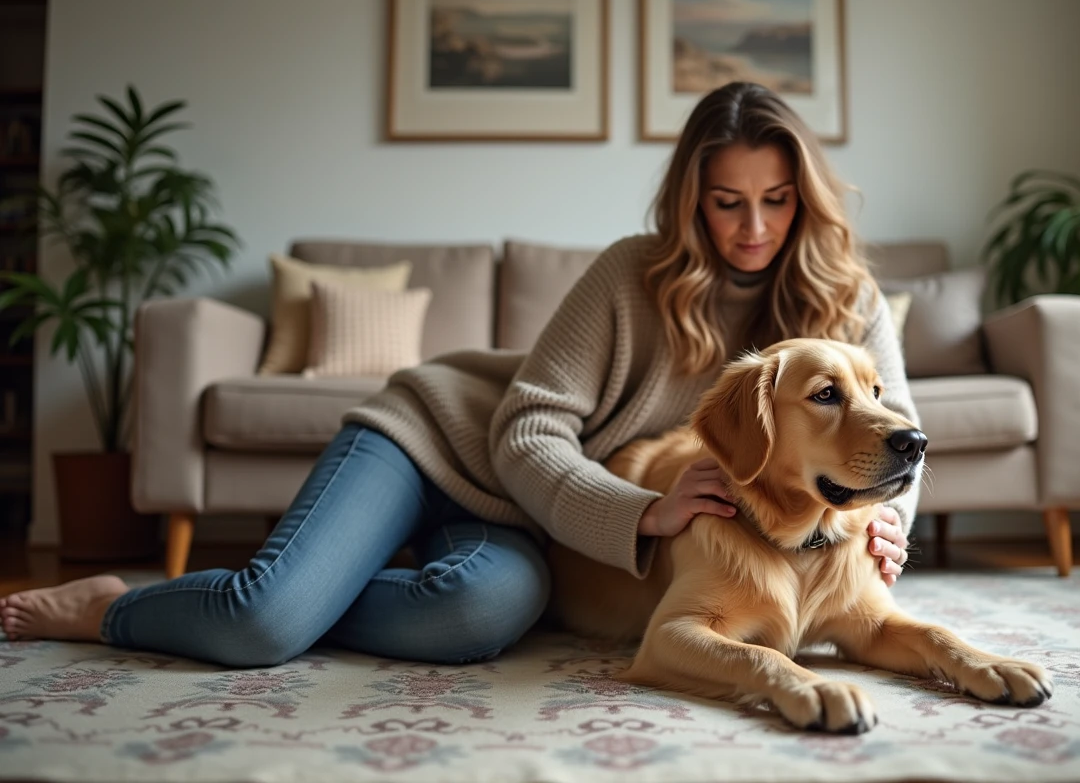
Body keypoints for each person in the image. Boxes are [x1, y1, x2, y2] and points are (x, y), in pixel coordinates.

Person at [0, 81, 917, 667]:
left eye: (775, 200)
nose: (753, 227)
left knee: (482, 616)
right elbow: (525, 431)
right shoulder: (629, 274)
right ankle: (117, 606)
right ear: (692, 202)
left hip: (521, 518)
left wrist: (887, 525)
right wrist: (642, 512)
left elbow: (902, 435)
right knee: (261, 623)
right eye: (726, 202)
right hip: (432, 444)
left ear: (804, 198)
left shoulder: (847, 298)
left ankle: (317, 583)